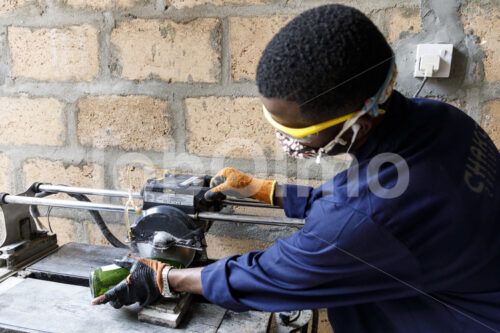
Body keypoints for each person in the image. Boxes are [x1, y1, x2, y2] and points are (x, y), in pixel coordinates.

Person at [92, 4, 500, 332]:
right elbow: (364, 203)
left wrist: (166, 279)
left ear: (360, 120)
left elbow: (274, 273)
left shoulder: (364, 222)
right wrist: (264, 190)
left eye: (298, 132)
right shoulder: (440, 120)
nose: (285, 142)